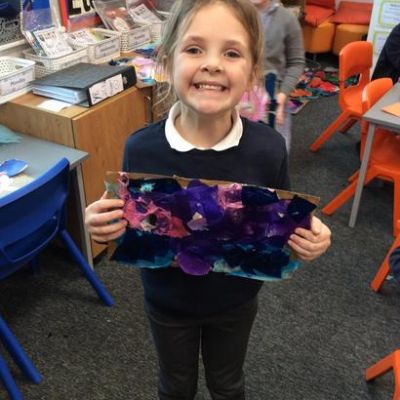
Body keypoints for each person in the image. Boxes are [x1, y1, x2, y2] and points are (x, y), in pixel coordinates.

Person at [85, 1, 331, 399]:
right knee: (175, 387)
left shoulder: (268, 149)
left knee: (227, 384)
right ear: (167, 60)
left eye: (231, 53)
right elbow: (129, 220)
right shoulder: (142, 148)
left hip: (235, 302)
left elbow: (282, 222)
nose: (212, 64)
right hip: (166, 302)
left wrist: (310, 235)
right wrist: (101, 224)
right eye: (194, 48)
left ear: (252, 70)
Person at [250, 0, 305, 151]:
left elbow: (296, 62)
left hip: (273, 98)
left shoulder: (287, 19)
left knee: (275, 150)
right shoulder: (231, 13)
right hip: (238, 99)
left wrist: (283, 94)